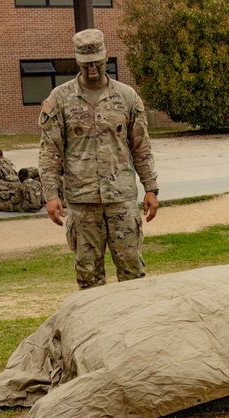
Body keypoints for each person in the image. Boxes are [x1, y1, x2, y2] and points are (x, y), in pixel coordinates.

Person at [38, 28, 159, 290]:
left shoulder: (127, 97)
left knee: (132, 270)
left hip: (121, 199)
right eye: (86, 64)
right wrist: (50, 194)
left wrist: (150, 188)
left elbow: (141, 146)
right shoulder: (60, 99)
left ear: (105, 60)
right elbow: (50, 151)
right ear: (78, 62)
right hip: (83, 201)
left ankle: (133, 326)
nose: (92, 69)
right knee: (89, 275)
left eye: (97, 63)